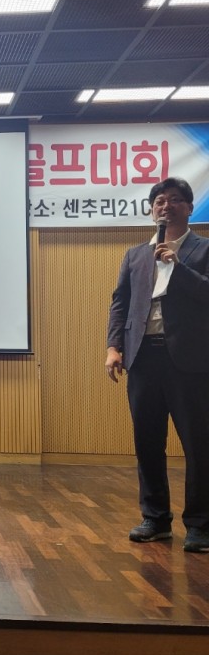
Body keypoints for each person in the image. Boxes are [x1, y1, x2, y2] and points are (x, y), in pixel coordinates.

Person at [106, 177, 209, 553]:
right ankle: (155, 519)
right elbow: (120, 303)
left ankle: (200, 525)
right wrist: (113, 347)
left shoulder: (203, 249)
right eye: (160, 201)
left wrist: (177, 268)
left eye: (176, 200)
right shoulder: (135, 255)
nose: (167, 206)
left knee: (199, 445)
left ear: (189, 208)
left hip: (190, 361)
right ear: (152, 210)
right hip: (143, 358)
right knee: (147, 442)